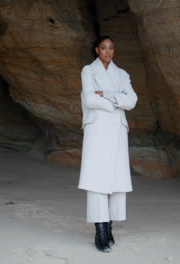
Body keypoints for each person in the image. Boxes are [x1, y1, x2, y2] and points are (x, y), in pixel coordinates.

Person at [78, 36, 138, 253]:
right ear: (96, 50)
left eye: (111, 47)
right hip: (97, 131)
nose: (107, 51)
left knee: (115, 180)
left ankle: (109, 229)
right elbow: (89, 99)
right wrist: (116, 102)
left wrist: (109, 95)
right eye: (103, 48)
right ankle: (100, 233)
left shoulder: (122, 74)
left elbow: (131, 101)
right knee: (97, 179)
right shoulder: (89, 71)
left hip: (117, 132)